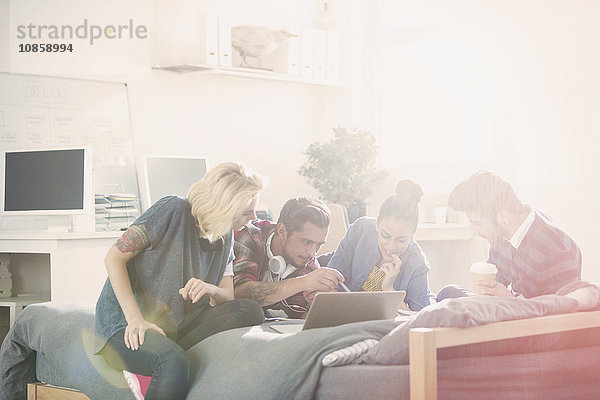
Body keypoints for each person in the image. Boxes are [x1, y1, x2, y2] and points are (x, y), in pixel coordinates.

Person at [94, 162, 266, 400]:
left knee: (251, 310)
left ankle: (168, 354)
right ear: (226, 207)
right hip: (127, 325)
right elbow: (114, 258)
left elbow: (228, 297)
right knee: (172, 362)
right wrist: (135, 320)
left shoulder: (225, 234)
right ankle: (159, 362)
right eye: (247, 212)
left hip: (178, 325)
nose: (253, 218)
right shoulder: (172, 210)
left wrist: (209, 289)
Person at [439, 171, 581, 299]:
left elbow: (559, 317)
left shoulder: (558, 250)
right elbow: (497, 282)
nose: (473, 231)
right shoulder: (502, 234)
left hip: (532, 322)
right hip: (512, 309)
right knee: (448, 294)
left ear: (504, 218)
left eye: (477, 224)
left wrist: (510, 301)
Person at [327, 180, 435, 311]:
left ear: (413, 234)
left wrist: (389, 289)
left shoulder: (417, 263)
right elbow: (331, 279)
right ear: (377, 224)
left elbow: (419, 319)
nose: (391, 247)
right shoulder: (361, 230)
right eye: (385, 236)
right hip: (344, 313)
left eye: (401, 240)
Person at [233, 197, 344, 318]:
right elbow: (238, 293)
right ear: (282, 231)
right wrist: (302, 283)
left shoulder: (309, 265)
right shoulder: (250, 235)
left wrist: (312, 307)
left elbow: (299, 317)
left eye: (318, 245)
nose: (312, 253)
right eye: (306, 242)